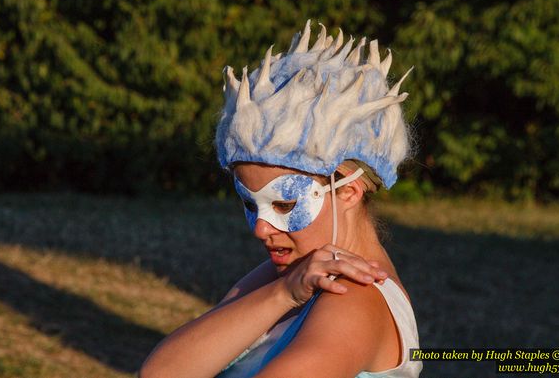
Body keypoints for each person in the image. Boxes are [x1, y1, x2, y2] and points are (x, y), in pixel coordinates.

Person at [140, 20, 423, 378]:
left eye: (285, 204)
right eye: (249, 203)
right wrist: (283, 293)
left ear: (349, 191)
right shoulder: (290, 277)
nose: (261, 228)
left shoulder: (353, 298)